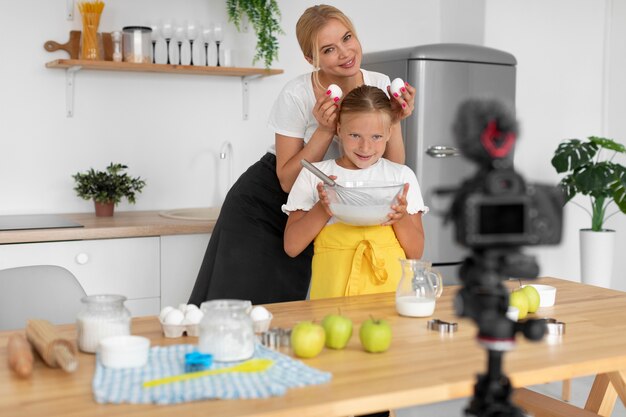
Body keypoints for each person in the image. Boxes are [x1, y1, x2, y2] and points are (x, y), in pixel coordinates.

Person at [188, 5, 415, 306]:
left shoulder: (379, 85)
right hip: (266, 200)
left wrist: (396, 121)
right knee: (235, 298)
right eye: (329, 49)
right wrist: (324, 129)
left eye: (347, 38)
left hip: (316, 198)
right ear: (311, 59)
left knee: (287, 300)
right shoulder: (297, 94)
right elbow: (286, 180)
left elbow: (392, 167)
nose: (345, 53)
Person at [283, 85, 428, 299]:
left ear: (389, 133)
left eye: (376, 137)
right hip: (331, 296)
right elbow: (292, 246)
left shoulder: (401, 177)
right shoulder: (315, 175)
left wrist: (401, 216)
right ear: (338, 129)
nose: (365, 147)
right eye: (354, 135)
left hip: (389, 297)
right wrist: (323, 208)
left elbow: (415, 253)